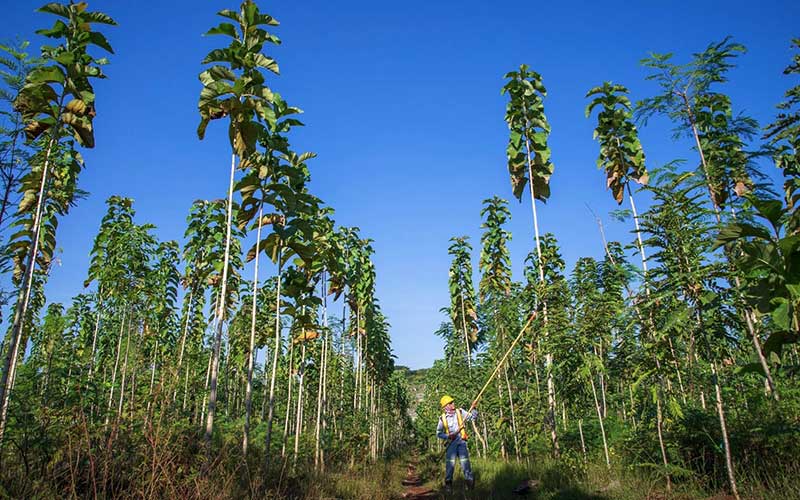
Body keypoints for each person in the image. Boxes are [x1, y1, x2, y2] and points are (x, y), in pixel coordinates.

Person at [436, 395, 478, 491]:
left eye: (452, 402)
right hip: (451, 444)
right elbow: (438, 433)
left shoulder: (460, 412)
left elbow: (473, 418)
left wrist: (474, 408)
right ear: (446, 406)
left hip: (461, 442)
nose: (453, 404)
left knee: (465, 463)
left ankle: (470, 484)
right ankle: (448, 485)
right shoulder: (442, 418)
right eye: (450, 403)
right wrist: (448, 436)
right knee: (450, 465)